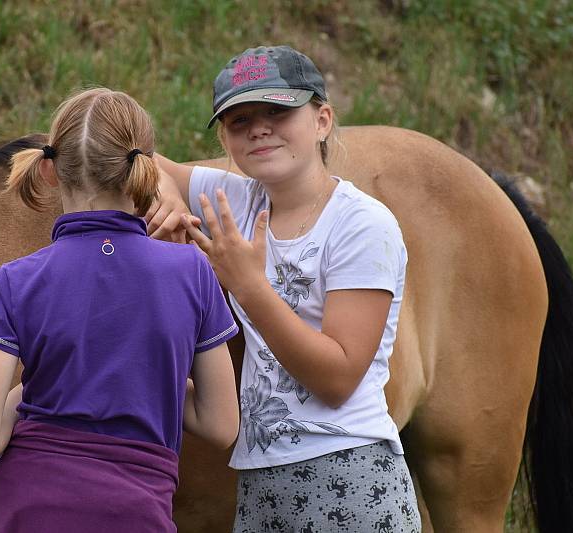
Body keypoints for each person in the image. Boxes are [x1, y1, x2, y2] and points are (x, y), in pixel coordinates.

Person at [149, 46, 422, 532]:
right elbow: (150, 162)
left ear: (321, 120)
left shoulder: (362, 224)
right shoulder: (240, 198)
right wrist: (167, 194)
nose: (258, 128)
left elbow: (337, 379)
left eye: (278, 111)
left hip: (348, 471)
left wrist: (250, 287)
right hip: (259, 480)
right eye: (238, 120)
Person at [0, 87, 240, 532]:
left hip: (24, 510)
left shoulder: (14, 281)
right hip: (134, 515)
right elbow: (221, 424)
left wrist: (47, 387)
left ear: (48, 170)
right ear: (143, 171)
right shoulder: (193, 272)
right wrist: (145, 377)